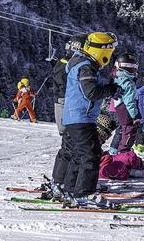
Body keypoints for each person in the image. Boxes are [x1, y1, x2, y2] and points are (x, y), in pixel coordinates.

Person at [60, 31, 119, 206]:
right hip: (81, 117)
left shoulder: (82, 64)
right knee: (92, 154)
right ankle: (84, 193)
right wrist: (111, 90)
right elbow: (91, 92)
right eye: (109, 50)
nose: (110, 55)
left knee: (79, 154)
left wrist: (108, 86)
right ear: (101, 50)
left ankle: (71, 190)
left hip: (75, 116)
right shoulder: (86, 67)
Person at [50, 34, 87, 193]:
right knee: (70, 145)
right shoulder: (67, 64)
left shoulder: (67, 63)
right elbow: (64, 85)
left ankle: (60, 181)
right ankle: (61, 182)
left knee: (69, 145)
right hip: (65, 105)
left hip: (66, 104)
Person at [109, 53, 141, 153]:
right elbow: (130, 102)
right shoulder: (129, 83)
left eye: (134, 67)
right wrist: (135, 115)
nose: (132, 70)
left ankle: (113, 150)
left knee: (120, 130)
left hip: (114, 108)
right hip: (124, 111)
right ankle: (121, 152)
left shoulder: (117, 78)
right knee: (125, 130)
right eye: (130, 67)